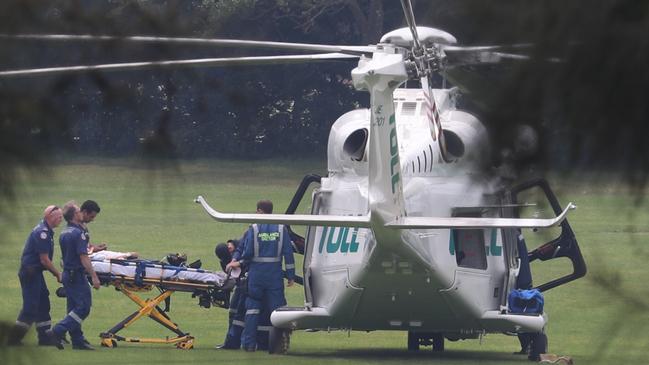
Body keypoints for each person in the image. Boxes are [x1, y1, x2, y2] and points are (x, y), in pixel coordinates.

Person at [227, 200, 295, 352]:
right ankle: (278, 345)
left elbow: (248, 252)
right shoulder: (281, 228)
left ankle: (249, 345)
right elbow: (288, 254)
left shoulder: (254, 228)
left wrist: (239, 263)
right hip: (274, 276)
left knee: (252, 309)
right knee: (277, 311)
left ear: (259, 211)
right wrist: (290, 275)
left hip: (256, 275)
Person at [8, 205, 63, 346]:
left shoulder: (47, 231)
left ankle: (44, 337)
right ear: (49, 217)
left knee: (43, 302)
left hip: (35, 272)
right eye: (58, 217)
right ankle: (13, 339)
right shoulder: (42, 233)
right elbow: (44, 260)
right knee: (30, 307)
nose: (61, 219)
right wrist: (57, 274)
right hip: (30, 272)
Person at [49, 201, 101, 350]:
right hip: (76, 275)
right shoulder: (78, 233)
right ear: (74, 215)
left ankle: (77, 340)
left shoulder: (65, 232)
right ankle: (57, 331)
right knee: (83, 308)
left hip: (67, 274)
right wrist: (94, 276)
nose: (81, 213)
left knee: (73, 309)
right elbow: (83, 257)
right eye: (78, 211)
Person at [215, 238, 248, 350]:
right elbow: (231, 276)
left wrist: (234, 244)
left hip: (247, 284)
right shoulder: (225, 260)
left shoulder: (240, 248)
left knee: (239, 314)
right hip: (240, 285)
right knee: (234, 313)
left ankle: (233, 342)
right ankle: (231, 342)